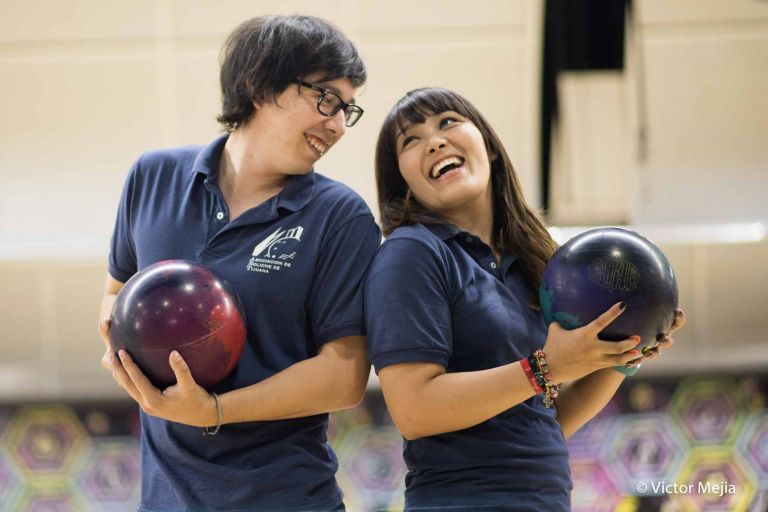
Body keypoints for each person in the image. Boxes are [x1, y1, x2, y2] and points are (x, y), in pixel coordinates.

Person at [97, 15, 381, 511]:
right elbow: (117, 293)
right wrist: (120, 347)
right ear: (260, 85)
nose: (337, 124)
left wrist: (215, 410)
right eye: (326, 99)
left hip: (286, 498)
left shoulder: (340, 216)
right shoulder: (152, 177)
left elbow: (346, 375)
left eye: (347, 110)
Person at [364, 87, 685, 511]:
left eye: (447, 122)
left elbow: (545, 423)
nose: (435, 141)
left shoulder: (531, 266)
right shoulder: (412, 253)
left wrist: (626, 354)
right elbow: (414, 410)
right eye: (411, 140)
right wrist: (545, 367)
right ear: (402, 179)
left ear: (489, 147)